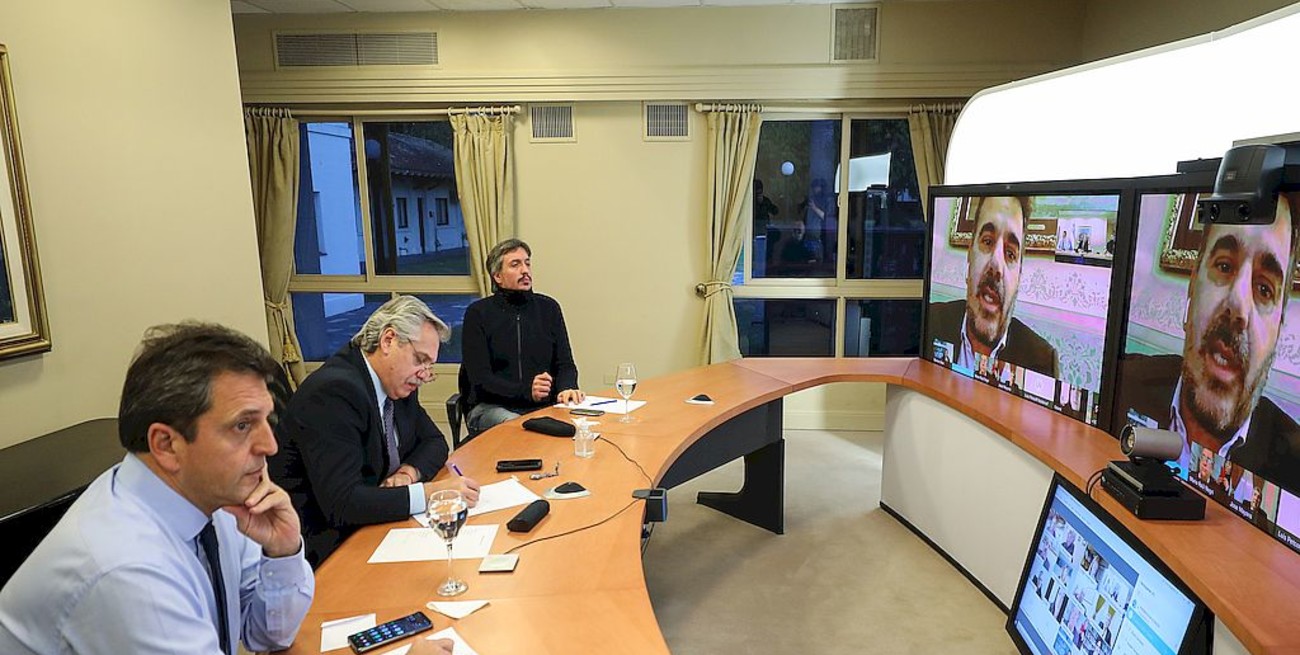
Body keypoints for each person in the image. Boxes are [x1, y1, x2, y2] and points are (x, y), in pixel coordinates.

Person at [0, 323, 316, 655]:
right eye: (242, 425)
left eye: (267, 420)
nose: (269, 445)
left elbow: (268, 635)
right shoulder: (128, 570)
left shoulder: (213, 501)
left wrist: (282, 551)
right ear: (165, 444)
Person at [270, 295, 480, 566]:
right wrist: (430, 494)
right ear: (388, 340)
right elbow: (343, 503)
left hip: (374, 525)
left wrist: (408, 473)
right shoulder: (334, 392)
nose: (424, 374)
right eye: (420, 360)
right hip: (326, 550)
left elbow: (434, 441)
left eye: (429, 365)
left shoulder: (396, 381)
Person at [1118, 192, 1300, 495]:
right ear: (1192, 287)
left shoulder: (1294, 465)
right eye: (1225, 267)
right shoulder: (1123, 383)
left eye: (1264, 289)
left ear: (1278, 331)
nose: (1238, 305)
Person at [461, 238, 583, 437]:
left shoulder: (549, 308)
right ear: (497, 276)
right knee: (524, 428)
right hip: (491, 408)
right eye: (515, 265)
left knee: (583, 428)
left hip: (543, 408)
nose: (525, 270)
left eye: (527, 263)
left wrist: (567, 388)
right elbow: (480, 379)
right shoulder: (478, 313)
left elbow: (565, 364)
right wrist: (526, 390)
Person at [928, 196, 1060, 377]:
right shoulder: (930, 321)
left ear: (1019, 278)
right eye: (988, 241)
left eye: (1010, 253)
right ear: (970, 255)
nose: (996, 265)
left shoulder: (1042, 361)